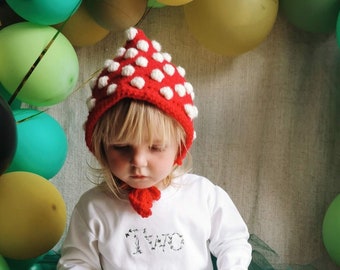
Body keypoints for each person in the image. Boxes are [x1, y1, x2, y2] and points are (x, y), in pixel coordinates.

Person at [57, 27, 252, 270]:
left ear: (180, 146)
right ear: (101, 147)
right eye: (121, 147)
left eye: (156, 147)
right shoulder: (94, 207)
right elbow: (76, 262)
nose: (138, 161)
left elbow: (232, 242)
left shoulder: (203, 196)